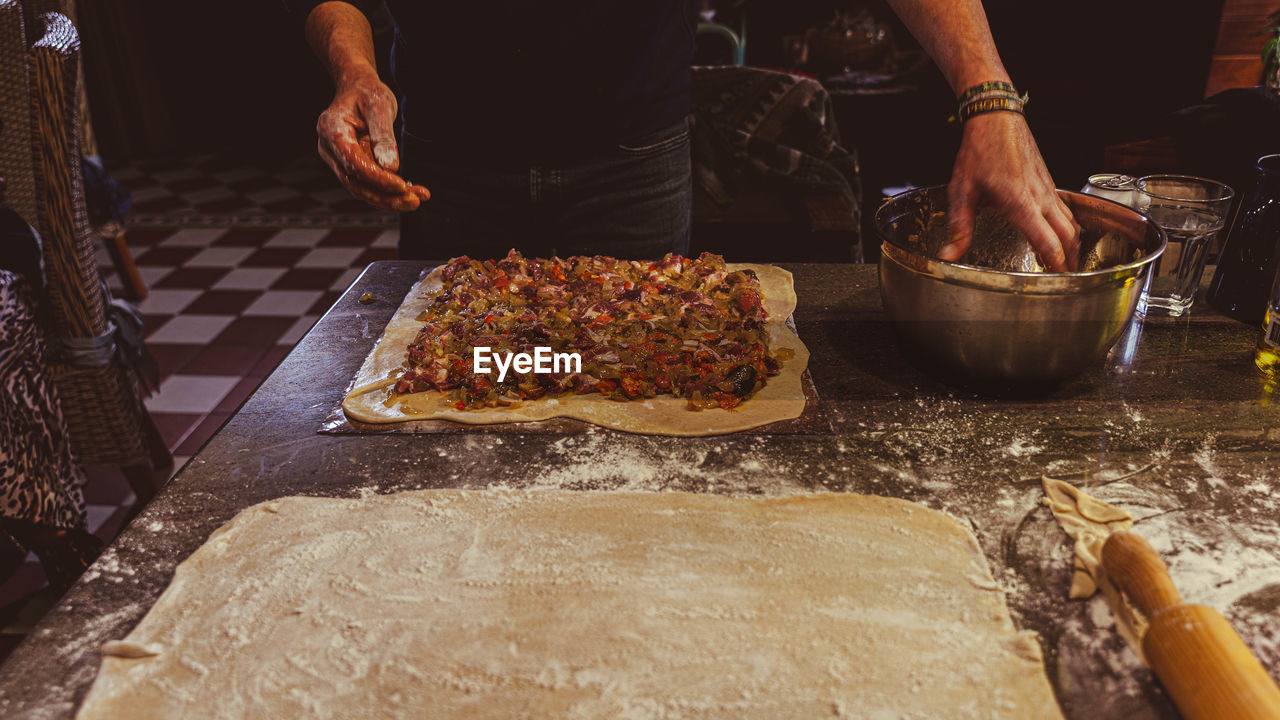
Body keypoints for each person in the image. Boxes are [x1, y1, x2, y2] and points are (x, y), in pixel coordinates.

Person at [288, 0, 1079, 270]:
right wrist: (354, 72)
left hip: (631, 161)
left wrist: (990, 100)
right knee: (462, 395)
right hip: (451, 168)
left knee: (631, 399)